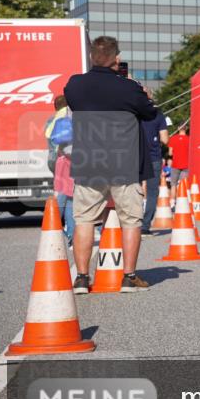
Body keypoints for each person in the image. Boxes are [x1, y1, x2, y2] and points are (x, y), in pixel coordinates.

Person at [63, 36, 157, 293]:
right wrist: (143, 94)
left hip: (88, 164)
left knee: (83, 220)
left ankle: (82, 278)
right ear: (116, 59)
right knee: (130, 220)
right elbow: (150, 113)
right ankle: (129, 276)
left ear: (92, 57)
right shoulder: (128, 88)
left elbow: (73, 103)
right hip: (123, 164)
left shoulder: (75, 85)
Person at [46, 97, 75, 244]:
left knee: (68, 196)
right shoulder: (66, 116)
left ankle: (69, 233)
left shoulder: (52, 119)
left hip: (55, 160)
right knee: (65, 196)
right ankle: (54, 228)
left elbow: (49, 138)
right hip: (65, 160)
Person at [140, 89, 169, 235]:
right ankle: (145, 225)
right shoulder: (158, 114)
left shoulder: (134, 112)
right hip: (154, 157)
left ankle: (132, 223)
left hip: (135, 156)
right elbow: (165, 139)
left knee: (133, 190)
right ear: (151, 96)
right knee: (152, 192)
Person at [167, 124, 190, 207]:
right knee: (183, 185)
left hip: (175, 164)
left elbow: (170, 153)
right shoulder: (189, 139)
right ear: (186, 128)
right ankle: (183, 204)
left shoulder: (173, 138)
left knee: (173, 185)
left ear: (178, 128)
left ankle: (172, 204)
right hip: (186, 165)